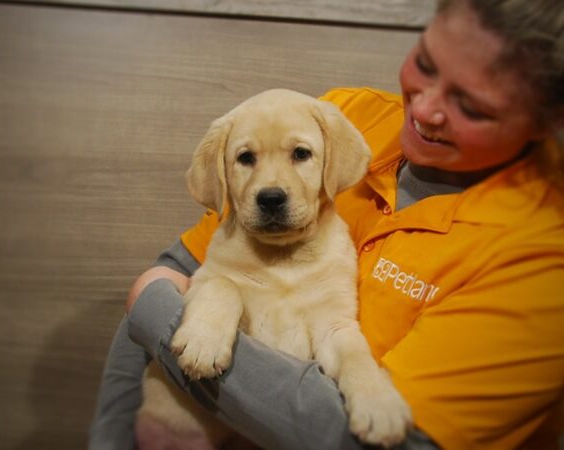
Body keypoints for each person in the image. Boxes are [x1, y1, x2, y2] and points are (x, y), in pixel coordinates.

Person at [89, 0, 564, 448]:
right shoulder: (347, 118)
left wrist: (156, 312)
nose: (421, 110)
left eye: (471, 106)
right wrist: (110, 440)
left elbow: (378, 438)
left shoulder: (545, 264)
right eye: (425, 62)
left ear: (549, 120)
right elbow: (176, 269)